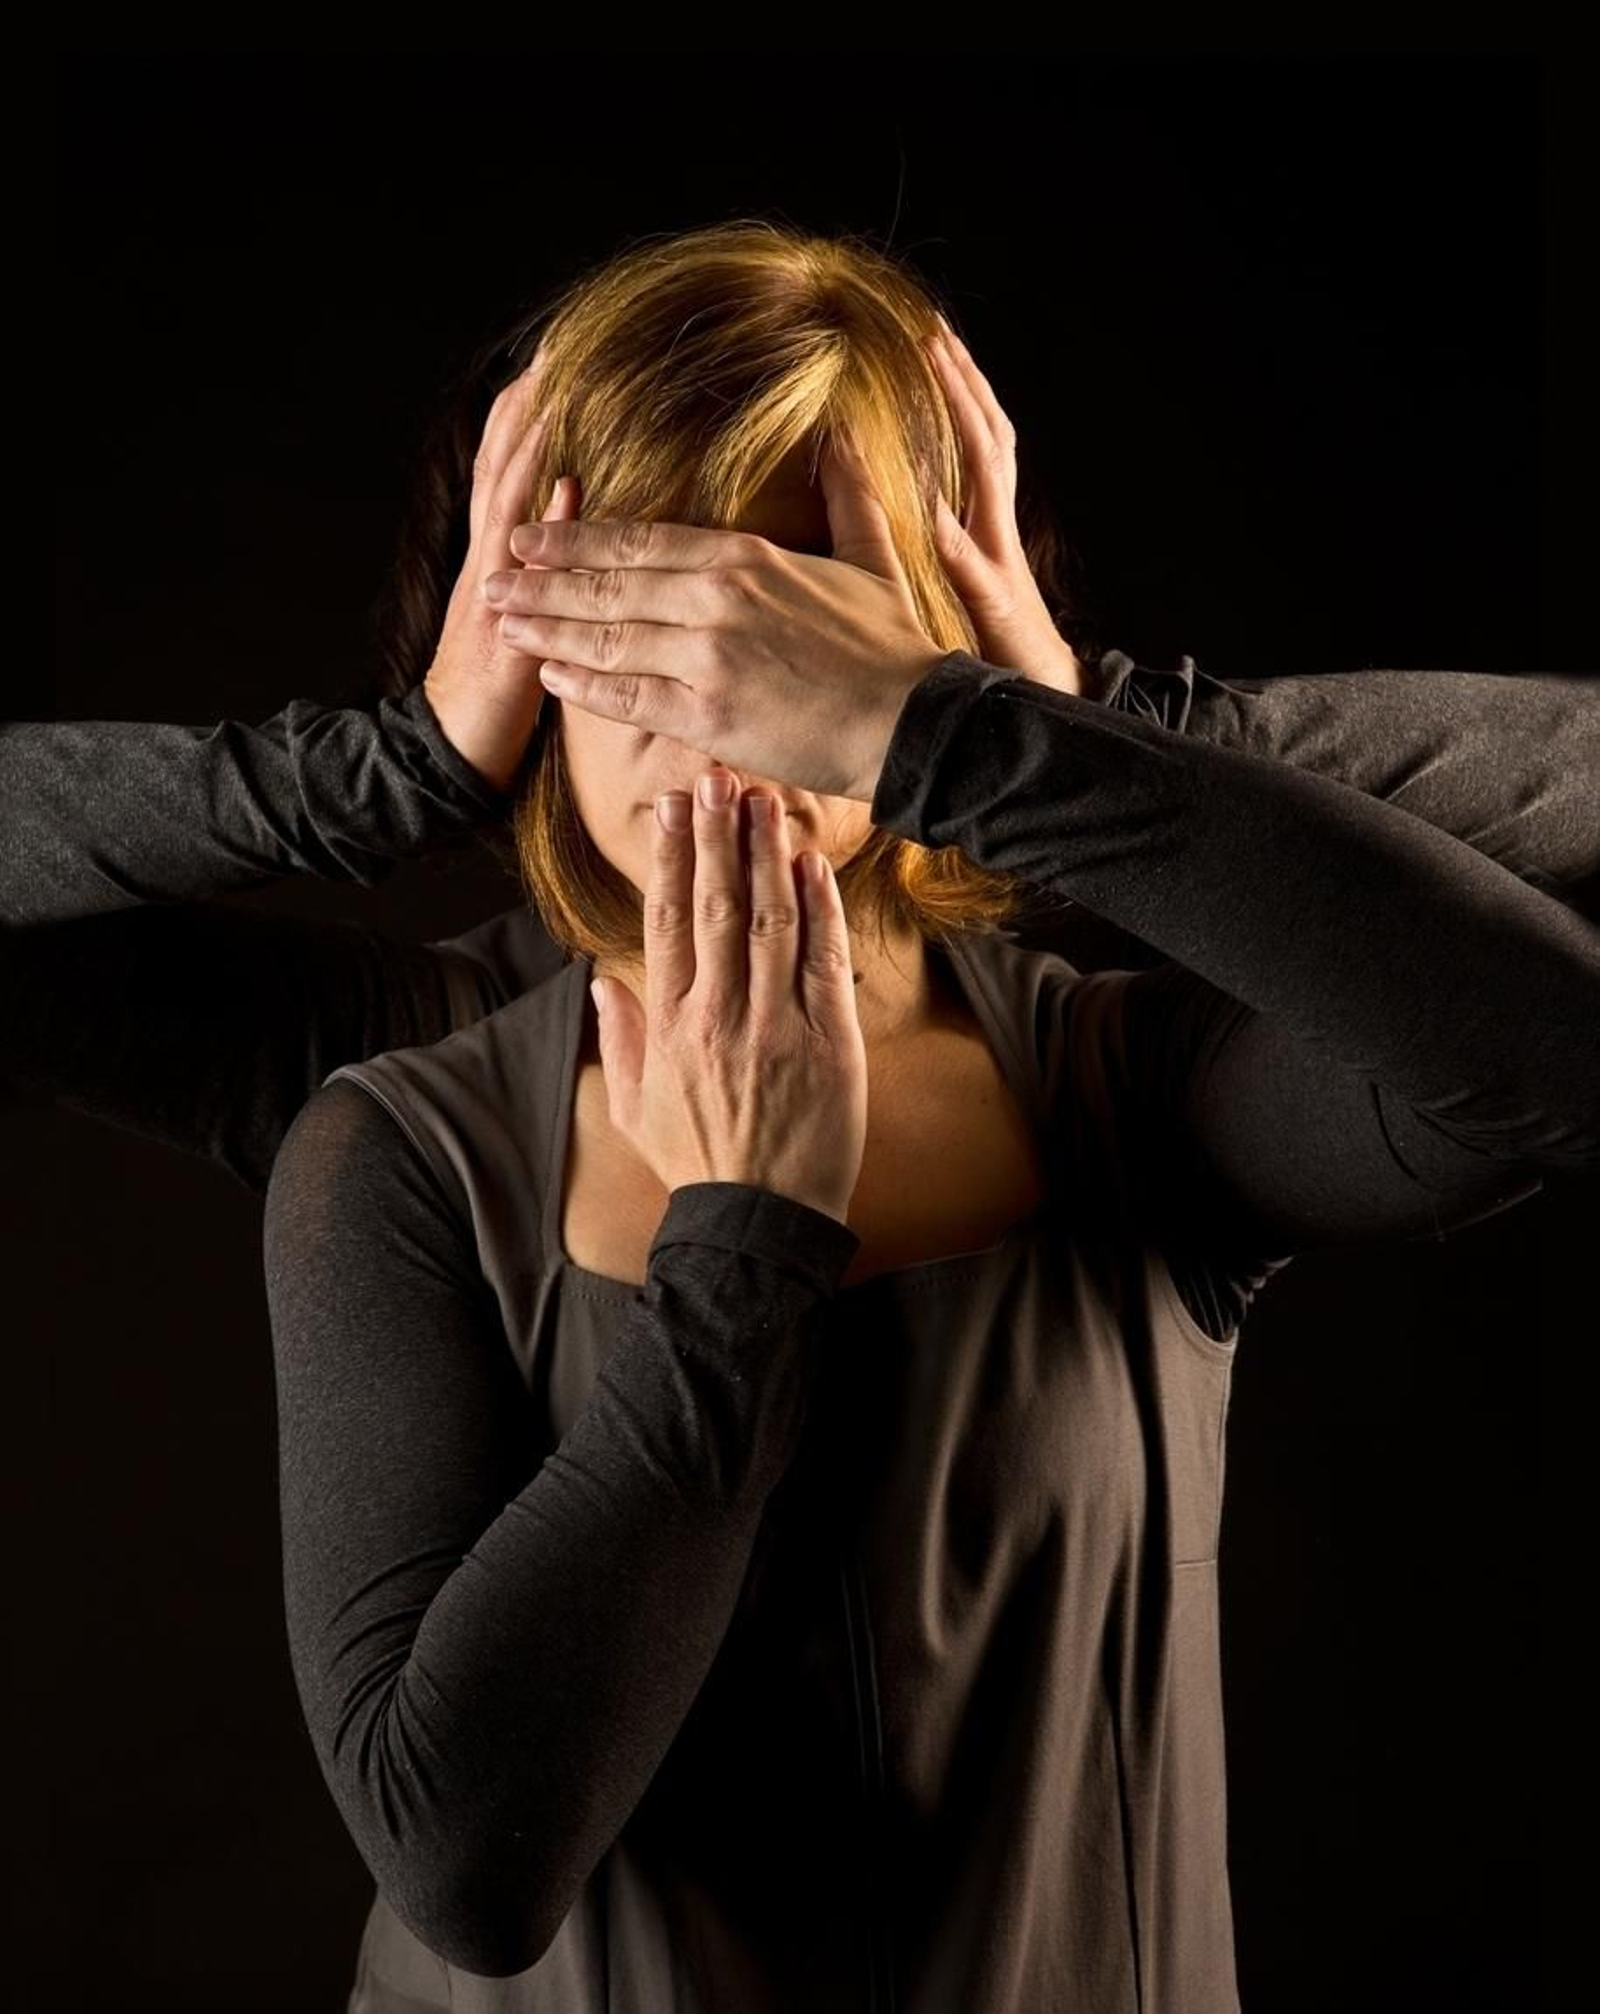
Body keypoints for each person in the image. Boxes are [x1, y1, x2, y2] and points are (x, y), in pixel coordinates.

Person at [5, 218, 1597, 2012]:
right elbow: (465, 1860)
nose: (717, 692)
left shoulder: (1134, 1096)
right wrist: (392, 770)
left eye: (794, 610)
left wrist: (1061, 724)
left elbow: (1564, 1004)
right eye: (643, 595)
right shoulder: (405, 1126)